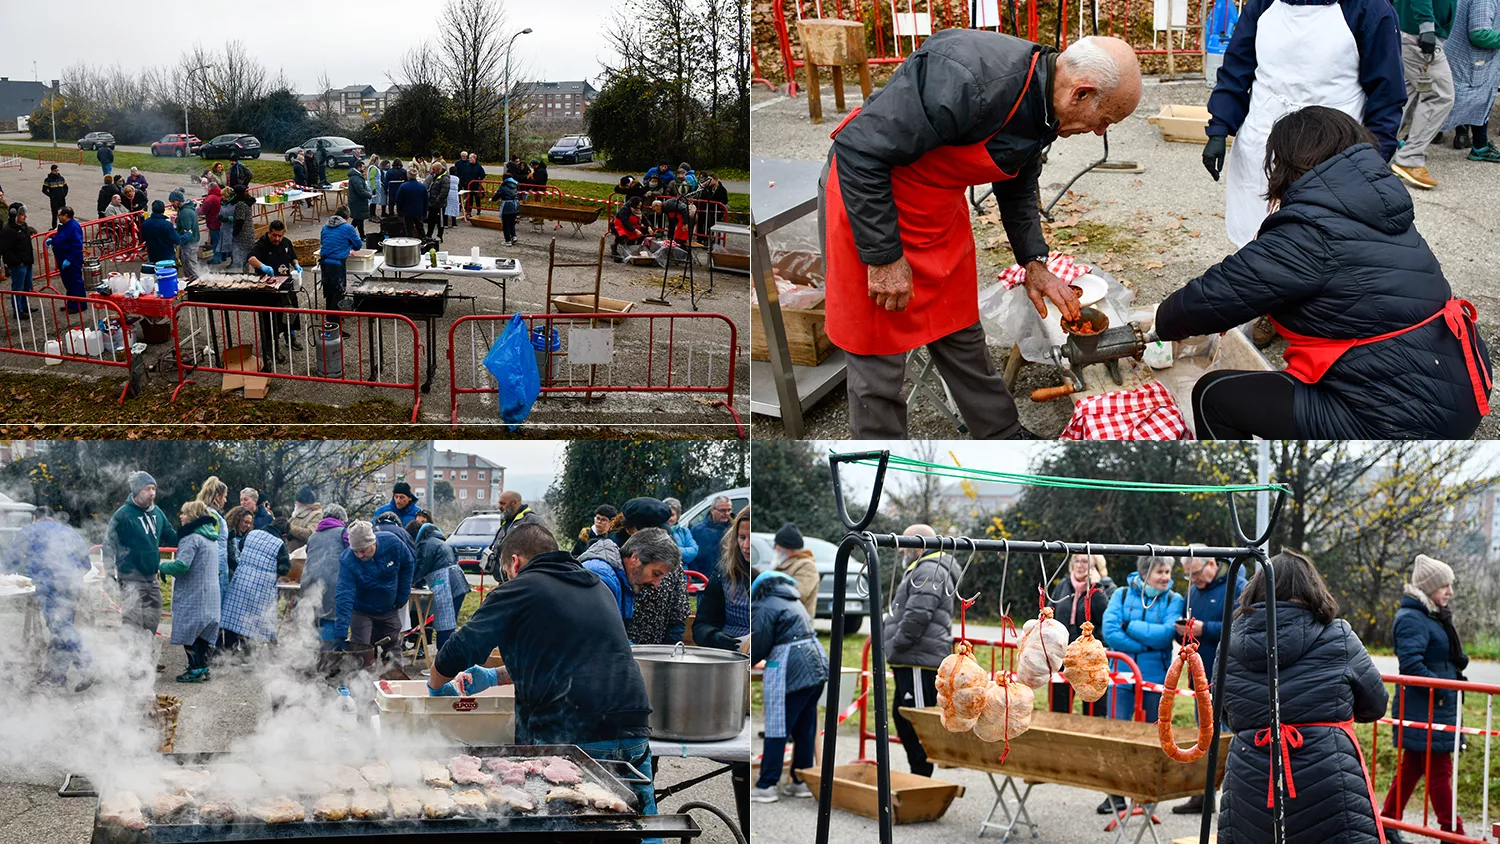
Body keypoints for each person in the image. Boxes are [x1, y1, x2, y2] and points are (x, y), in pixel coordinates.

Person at [821, 34, 1141, 439]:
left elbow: (1018, 180)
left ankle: (1002, 435)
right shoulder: (965, 78)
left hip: (936, 210)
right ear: (1082, 92)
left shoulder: (1046, 100)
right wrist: (884, 256)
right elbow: (860, 152)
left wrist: (1034, 262)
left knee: (961, 333)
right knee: (878, 359)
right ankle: (881, 462)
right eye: (1105, 120)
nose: (1100, 132)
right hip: (871, 206)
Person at [1155, 107, 1492, 439]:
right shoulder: (1375, 207)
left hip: (1405, 418)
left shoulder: (1311, 230)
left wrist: (1162, 324)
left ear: (1286, 164)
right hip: (1458, 386)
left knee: (1215, 396)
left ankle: (1238, 488)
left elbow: (1209, 299)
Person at [429, 524, 658, 823]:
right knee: (640, 825)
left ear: (515, 562)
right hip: (634, 731)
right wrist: (494, 677)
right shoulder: (596, 585)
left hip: (577, 734)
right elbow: (563, 657)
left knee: (566, 827)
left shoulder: (520, 588)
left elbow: (459, 649)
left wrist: (435, 687)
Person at [1202, 0, 1405, 249]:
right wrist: (1219, 128)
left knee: (1321, 246)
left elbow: (1387, 95)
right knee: (1255, 240)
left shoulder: (1369, 10)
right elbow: (1235, 71)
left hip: (1333, 151)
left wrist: (1374, 159)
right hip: (1262, 142)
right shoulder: (1262, 5)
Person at [1219, 550, 1388, 844]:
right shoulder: (1339, 635)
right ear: (1312, 587)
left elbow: (1222, 712)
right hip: (1327, 768)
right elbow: (1375, 704)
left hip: (1249, 772)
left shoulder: (1229, 641)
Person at [1380, 554, 1470, 839]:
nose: (1450, 592)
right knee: (1439, 772)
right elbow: (1411, 666)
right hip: (1428, 708)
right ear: (1430, 587)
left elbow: (1434, 658)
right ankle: (1453, 832)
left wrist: (1455, 664)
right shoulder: (1412, 619)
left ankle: (1387, 823)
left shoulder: (1430, 616)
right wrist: (1445, 687)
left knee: (1413, 769)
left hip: (1432, 708)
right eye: (1445, 585)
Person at [1099, 555, 1184, 814]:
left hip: (1154, 679)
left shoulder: (1174, 600)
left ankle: (1144, 792)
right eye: (1160, 571)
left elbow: (1166, 635)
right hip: (1120, 675)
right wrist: (1141, 646)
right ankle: (1115, 794)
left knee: (1150, 736)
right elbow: (1110, 629)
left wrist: (1131, 625)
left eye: (1168, 571)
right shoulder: (1122, 595)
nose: (1166, 577)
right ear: (1146, 572)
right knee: (1117, 732)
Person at [1169, 554, 1246, 814]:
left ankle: (1231, 796)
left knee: (1225, 738)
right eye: (1189, 575)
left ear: (1212, 564)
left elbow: (1242, 626)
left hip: (1227, 675)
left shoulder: (1237, 587)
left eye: (1196, 574)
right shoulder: (1194, 591)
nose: (1193, 580)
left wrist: (1206, 629)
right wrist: (1186, 631)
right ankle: (1205, 794)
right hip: (1199, 676)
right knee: (1204, 736)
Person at [880, 524, 957, 776]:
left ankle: (922, 776)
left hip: (918, 657)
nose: (901, 548)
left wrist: (899, 641)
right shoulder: (925, 568)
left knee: (917, 721)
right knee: (902, 716)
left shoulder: (929, 570)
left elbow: (918, 613)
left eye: (905, 543)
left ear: (919, 545)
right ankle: (919, 772)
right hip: (914, 657)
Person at [749, 566, 827, 803]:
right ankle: (800, 780)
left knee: (777, 726)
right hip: (816, 664)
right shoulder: (790, 597)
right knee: (805, 727)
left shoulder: (764, 603)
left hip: (792, 667)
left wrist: (745, 662)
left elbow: (759, 641)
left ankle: (766, 785)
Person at [2, 507, 93, 691]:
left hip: (51, 585)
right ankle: (55, 676)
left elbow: (13, 558)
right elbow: (86, 564)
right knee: (61, 630)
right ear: (51, 517)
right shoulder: (70, 532)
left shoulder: (30, 530)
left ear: (35, 518)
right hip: (72, 585)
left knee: (61, 628)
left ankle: (88, 665)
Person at [104, 471, 179, 677]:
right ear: (137, 491)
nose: (152, 493)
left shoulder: (158, 513)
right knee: (132, 623)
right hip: (130, 578)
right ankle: (129, 665)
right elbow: (108, 544)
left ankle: (143, 660)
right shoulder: (123, 514)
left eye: (154, 488)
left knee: (152, 621)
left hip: (151, 577)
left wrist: (191, 532)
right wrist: (109, 572)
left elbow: (171, 535)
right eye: (148, 488)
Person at [1391, 0, 1458, 188]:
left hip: (1412, 35)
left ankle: (1379, 150)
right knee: (1440, 97)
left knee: (1404, 98)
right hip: (1420, 37)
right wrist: (1426, 27)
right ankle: (1409, 159)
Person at [612, 498, 689, 646]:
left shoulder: (669, 560)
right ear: (630, 529)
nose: (658, 539)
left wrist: (668, 654)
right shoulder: (615, 559)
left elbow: (678, 613)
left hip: (656, 654)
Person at [579, 528, 680, 639]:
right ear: (635, 558)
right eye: (655, 574)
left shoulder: (624, 579)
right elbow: (601, 641)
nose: (656, 584)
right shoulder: (600, 578)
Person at [334, 520, 416, 656]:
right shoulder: (347, 560)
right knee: (361, 651)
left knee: (394, 649)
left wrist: (403, 595)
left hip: (389, 608)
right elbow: (344, 594)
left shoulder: (393, 543)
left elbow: (408, 564)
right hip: (361, 610)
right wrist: (340, 633)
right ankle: (360, 676)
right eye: (355, 551)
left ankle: (393, 675)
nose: (360, 555)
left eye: (363, 550)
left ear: (373, 542)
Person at [162, 500, 222, 683]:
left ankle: (194, 668)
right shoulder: (212, 538)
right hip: (211, 592)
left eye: (185, 513)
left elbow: (182, 565)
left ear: (194, 516)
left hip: (194, 592)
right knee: (203, 632)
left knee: (190, 630)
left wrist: (161, 566)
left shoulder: (191, 538)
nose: (181, 516)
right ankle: (203, 667)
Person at [1436, 0, 1500, 162]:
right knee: (1449, 108)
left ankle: (1480, 146)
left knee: (1479, 101)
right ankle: (1407, 148)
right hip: (1469, 61)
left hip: (1468, 61)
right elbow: (1479, 34)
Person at [220, 518, 291, 653]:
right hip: (261, 588)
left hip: (240, 581)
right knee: (252, 621)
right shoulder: (280, 544)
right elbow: (284, 569)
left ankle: (229, 652)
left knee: (233, 617)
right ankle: (248, 655)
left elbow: (240, 548)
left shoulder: (252, 533)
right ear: (284, 534)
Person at [693, 505, 752, 651]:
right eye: (742, 537)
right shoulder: (723, 572)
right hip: (734, 655)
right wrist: (715, 636)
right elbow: (701, 625)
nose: (746, 545)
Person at [410, 520, 464, 650]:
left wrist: (411, 582)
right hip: (457, 584)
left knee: (445, 626)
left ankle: (442, 664)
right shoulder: (436, 541)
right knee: (449, 626)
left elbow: (422, 567)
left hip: (446, 584)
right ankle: (449, 660)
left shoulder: (426, 544)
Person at [301, 503, 348, 650]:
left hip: (309, 581)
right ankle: (327, 659)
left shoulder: (313, 536)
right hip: (332, 583)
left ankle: (309, 659)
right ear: (341, 518)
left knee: (313, 620)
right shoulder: (343, 532)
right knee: (330, 618)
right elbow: (351, 555)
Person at [318, 210, 364, 317]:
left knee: (329, 292)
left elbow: (324, 242)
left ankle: (329, 323)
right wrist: (348, 247)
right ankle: (334, 323)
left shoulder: (325, 227)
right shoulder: (348, 228)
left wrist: (344, 247)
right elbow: (358, 245)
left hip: (324, 263)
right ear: (347, 218)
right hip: (337, 264)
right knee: (338, 294)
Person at [195, 476, 232, 597]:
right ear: (217, 497)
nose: (226, 500)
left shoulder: (205, 512)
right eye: (225, 496)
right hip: (216, 568)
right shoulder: (213, 516)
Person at [767, 523, 816, 615]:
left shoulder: (806, 566)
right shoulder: (781, 564)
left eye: (776, 544)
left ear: (787, 549)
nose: (774, 548)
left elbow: (798, 593)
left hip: (796, 625)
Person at [1, 203, 37, 321]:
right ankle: (18, 311)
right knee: (18, 288)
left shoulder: (23, 226)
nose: (24, 216)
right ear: (14, 215)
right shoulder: (8, 231)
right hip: (18, 265)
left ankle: (25, 306)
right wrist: (17, 262)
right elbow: (5, 250)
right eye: (21, 214)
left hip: (27, 262)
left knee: (27, 286)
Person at [50, 207, 85, 312]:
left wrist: (69, 258)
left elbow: (76, 245)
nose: (58, 217)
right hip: (63, 259)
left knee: (75, 282)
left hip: (72, 260)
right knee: (68, 283)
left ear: (66, 216)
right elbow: (61, 237)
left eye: (59, 215)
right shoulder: (63, 226)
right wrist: (53, 240)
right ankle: (71, 303)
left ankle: (79, 305)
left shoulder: (74, 227)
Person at [691, 495, 734, 572]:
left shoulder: (734, 529)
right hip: (703, 577)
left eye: (729, 510)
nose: (727, 513)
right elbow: (692, 556)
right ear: (712, 510)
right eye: (722, 510)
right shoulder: (698, 530)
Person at [169, 191, 201, 281]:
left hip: (190, 243)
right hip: (193, 240)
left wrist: (179, 240)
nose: (172, 204)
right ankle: (192, 281)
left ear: (179, 201)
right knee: (189, 264)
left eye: (173, 201)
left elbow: (187, 230)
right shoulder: (188, 209)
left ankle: (198, 283)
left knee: (191, 265)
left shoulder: (184, 213)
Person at [662, 498, 700, 570]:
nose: (669, 518)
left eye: (672, 515)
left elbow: (694, 550)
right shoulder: (657, 531)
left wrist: (672, 551)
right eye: (667, 515)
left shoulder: (684, 531)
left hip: (683, 575)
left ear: (677, 516)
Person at [285, 486, 322, 555]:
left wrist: (289, 527)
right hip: (291, 555)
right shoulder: (297, 513)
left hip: (302, 558)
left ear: (306, 504)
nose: (296, 503)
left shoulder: (317, 515)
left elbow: (310, 534)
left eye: (298, 501)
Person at [229, 188, 256, 272]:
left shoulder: (240, 204)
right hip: (248, 232)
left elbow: (240, 220)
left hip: (243, 234)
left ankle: (246, 274)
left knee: (244, 256)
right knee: (247, 256)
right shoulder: (247, 202)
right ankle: (247, 272)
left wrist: (234, 233)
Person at [395, 172, 427, 239]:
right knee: (420, 227)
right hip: (418, 211)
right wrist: (425, 212)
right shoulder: (422, 186)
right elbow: (426, 200)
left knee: (409, 229)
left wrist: (399, 211)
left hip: (407, 212)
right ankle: (424, 240)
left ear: (408, 176)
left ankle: (410, 243)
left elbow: (398, 200)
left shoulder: (403, 186)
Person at [199, 185, 223, 265]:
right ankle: (224, 256)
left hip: (213, 222)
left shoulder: (210, 198)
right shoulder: (221, 195)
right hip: (221, 222)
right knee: (221, 240)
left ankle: (217, 259)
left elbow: (203, 210)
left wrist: (195, 211)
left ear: (210, 188)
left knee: (215, 241)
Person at [425, 163, 449, 240]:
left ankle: (439, 235)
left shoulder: (445, 178)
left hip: (440, 204)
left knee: (440, 221)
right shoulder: (435, 176)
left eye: (434, 169)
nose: (432, 171)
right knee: (431, 220)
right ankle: (429, 234)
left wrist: (437, 200)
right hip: (432, 203)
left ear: (439, 169)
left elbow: (444, 192)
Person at [494, 176, 520, 247]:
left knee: (506, 224)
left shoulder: (503, 187)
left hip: (506, 207)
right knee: (512, 223)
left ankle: (507, 240)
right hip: (515, 206)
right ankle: (514, 236)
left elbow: (497, 195)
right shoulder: (515, 186)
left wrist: (493, 199)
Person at [41, 164, 68, 229]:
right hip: (54, 200)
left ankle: (63, 226)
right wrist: (51, 196)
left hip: (62, 199)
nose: (57, 172)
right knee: (55, 214)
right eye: (55, 171)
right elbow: (44, 190)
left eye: (58, 170)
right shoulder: (48, 180)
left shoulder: (61, 178)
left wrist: (64, 194)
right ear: (52, 171)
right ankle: (54, 227)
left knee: (63, 214)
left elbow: (66, 187)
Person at [463, 153, 485, 219]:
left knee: (477, 198)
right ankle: (468, 211)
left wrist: (478, 179)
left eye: (470, 158)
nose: (469, 159)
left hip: (475, 185)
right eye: (469, 158)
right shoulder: (467, 165)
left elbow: (483, 174)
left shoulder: (478, 166)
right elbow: (465, 173)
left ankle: (478, 210)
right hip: (468, 185)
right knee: (469, 199)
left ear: (474, 158)